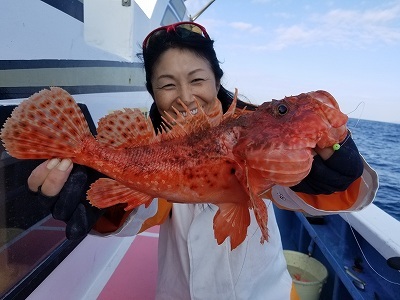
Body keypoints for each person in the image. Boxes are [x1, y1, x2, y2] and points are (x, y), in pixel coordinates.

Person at [27, 22, 377, 299]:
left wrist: (343, 176)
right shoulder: (148, 145)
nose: (185, 97)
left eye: (197, 79)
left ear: (217, 80)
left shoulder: (253, 135)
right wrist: (108, 205)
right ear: (151, 91)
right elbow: (146, 211)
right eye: (166, 85)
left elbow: (295, 194)